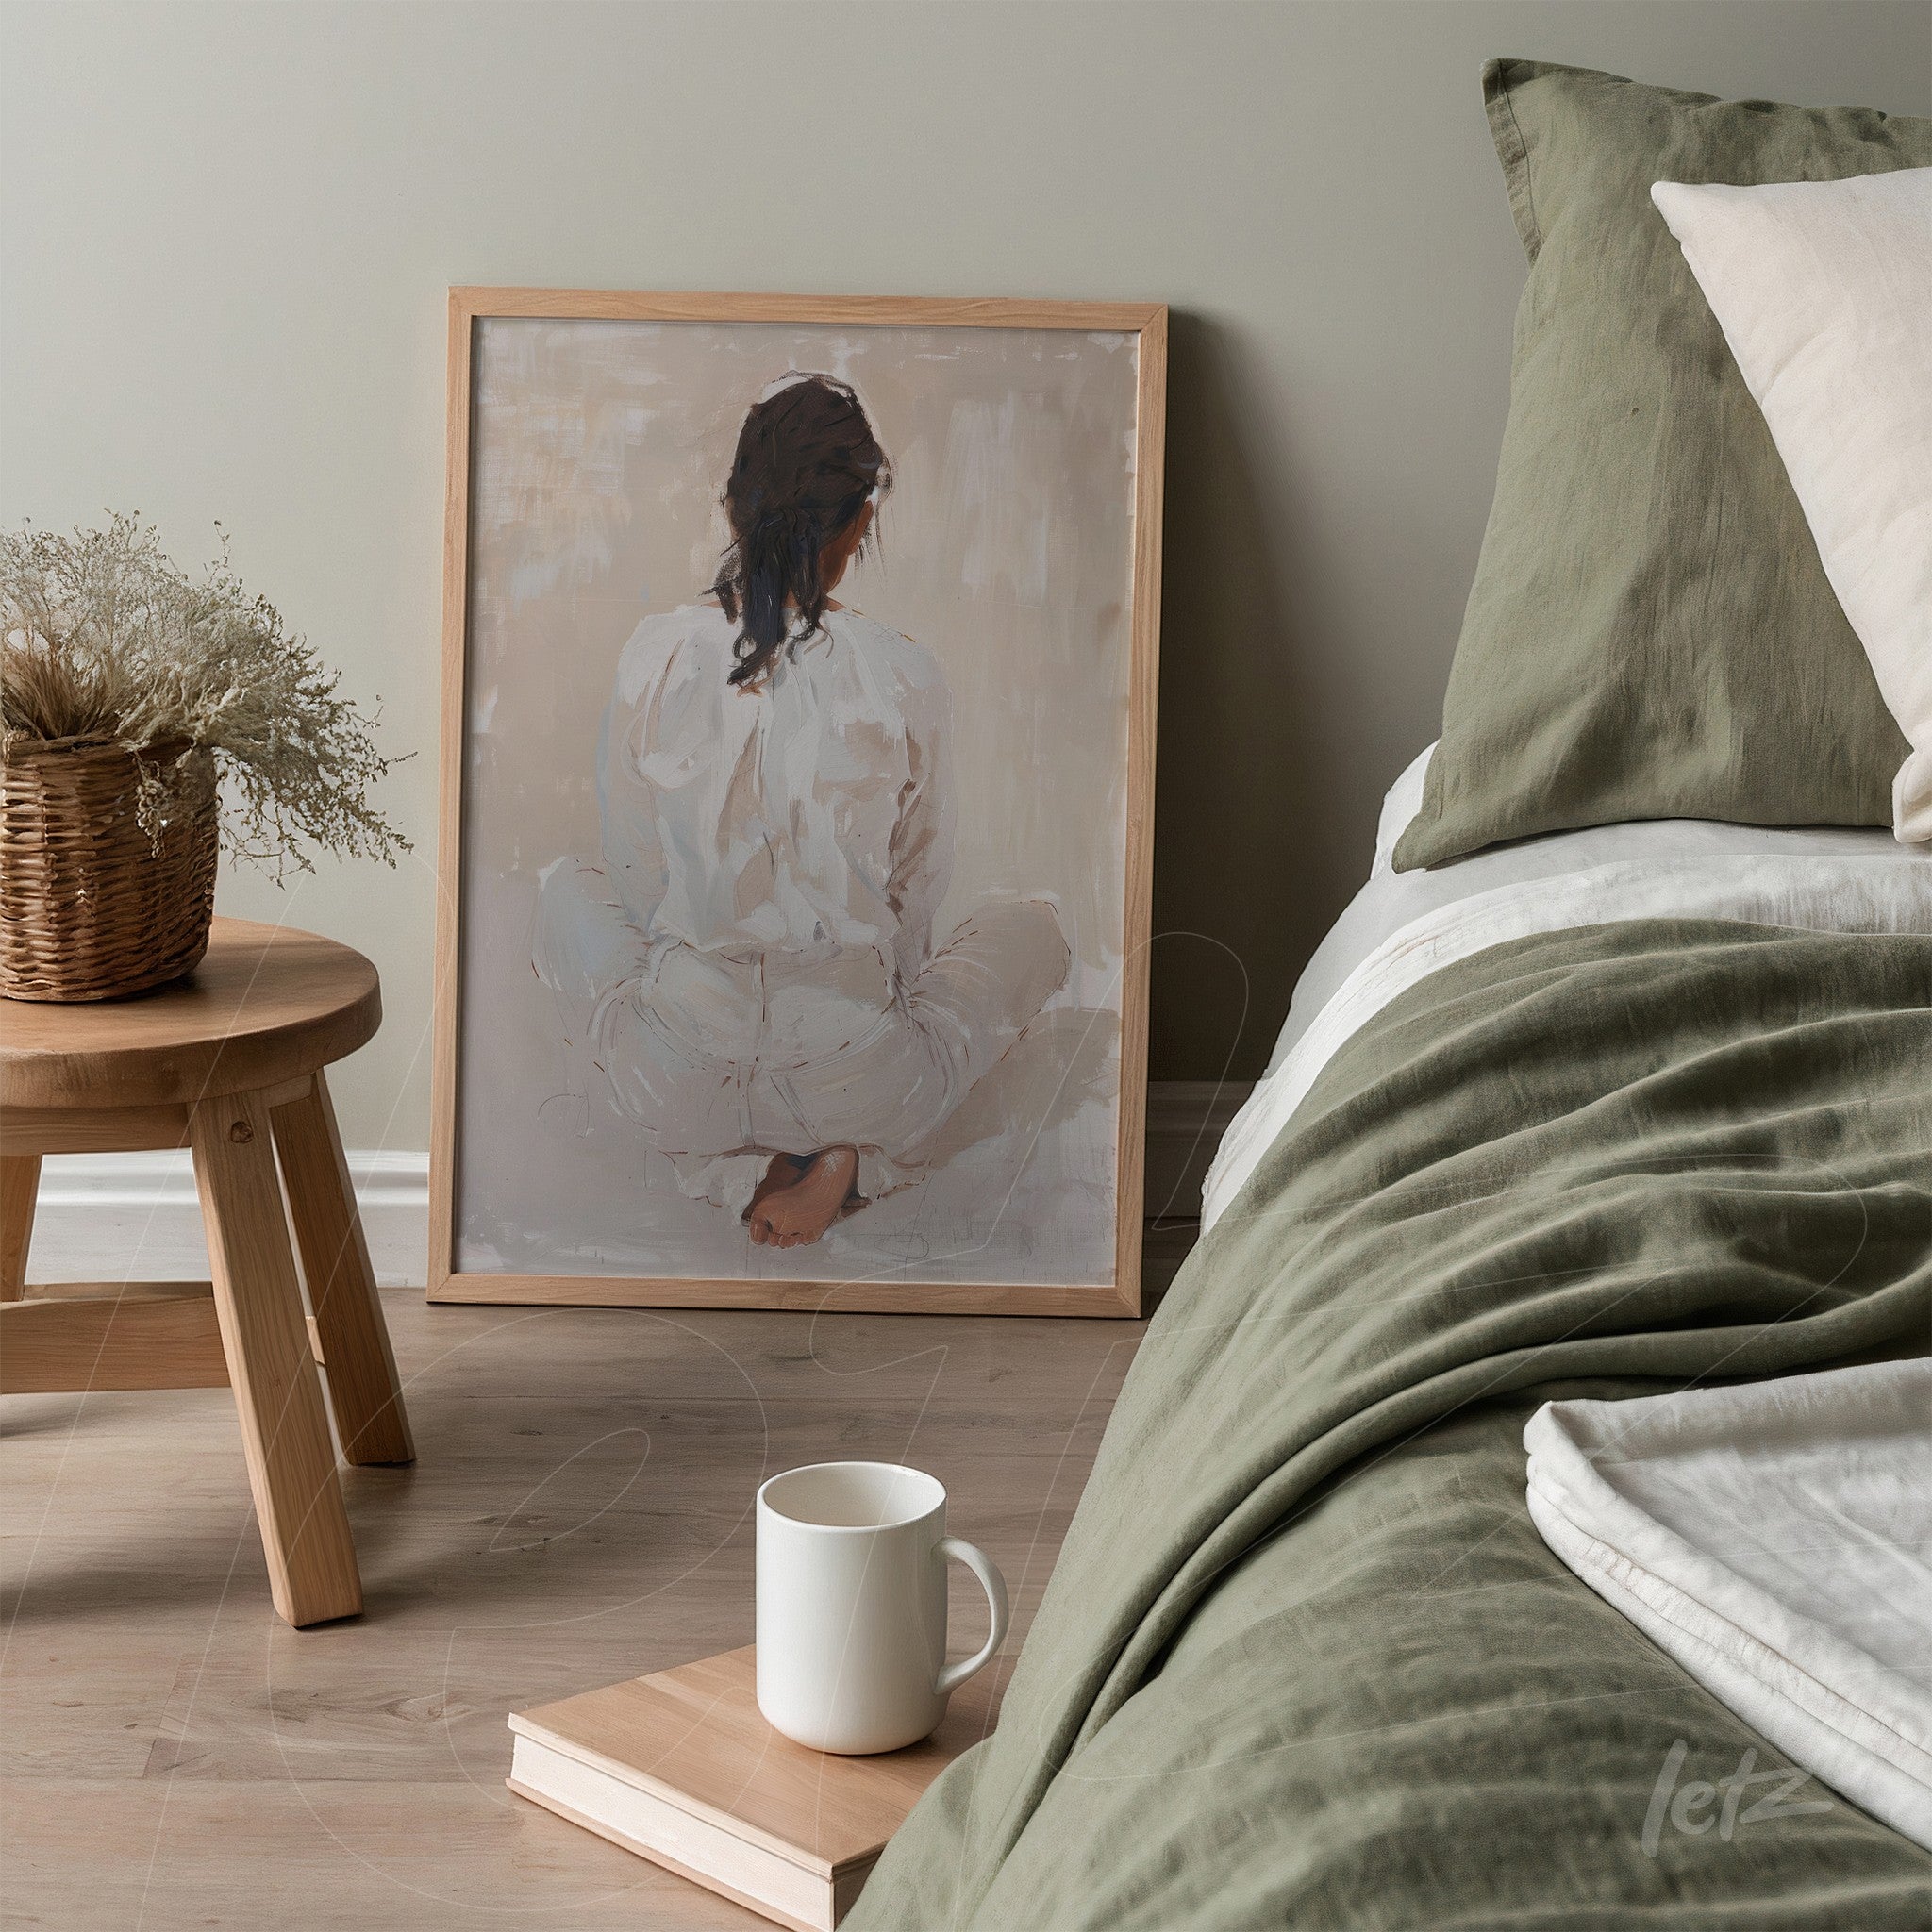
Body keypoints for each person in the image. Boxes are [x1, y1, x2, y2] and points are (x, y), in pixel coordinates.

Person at [534, 373, 1069, 1250]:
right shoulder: (904, 671)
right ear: (860, 522)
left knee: (564, 890)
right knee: (1034, 927)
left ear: (733, 509)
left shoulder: (654, 652)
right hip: (860, 1078)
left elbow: (634, 878)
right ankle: (852, 1162)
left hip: (674, 1079)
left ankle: (727, 1173)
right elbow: (916, 896)